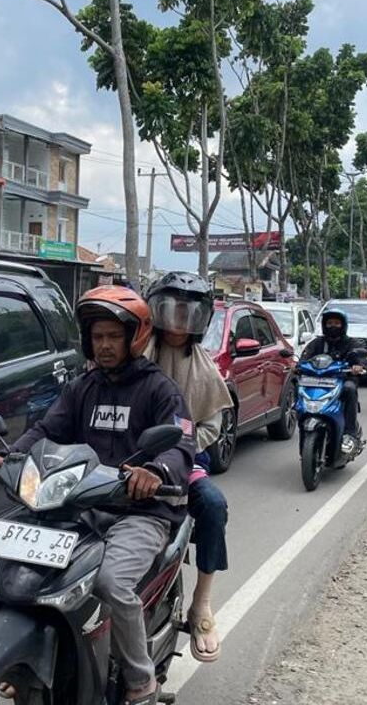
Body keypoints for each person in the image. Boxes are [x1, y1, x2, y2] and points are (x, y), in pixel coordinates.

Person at [0, 286, 195, 705]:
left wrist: (154, 470)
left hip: (140, 512)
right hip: (79, 506)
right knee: (27, 575)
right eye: (98, 337)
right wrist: (11, 457)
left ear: (135, 337)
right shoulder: (83, 387)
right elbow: (47, 430)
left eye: (113, 336)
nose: (105, 345)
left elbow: (182, 443)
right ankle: (25, 655)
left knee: (110, 582)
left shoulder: (158, 389)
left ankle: (140, 679)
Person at [143, 272, 233, 664]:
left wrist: (182, 447)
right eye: (171, 309)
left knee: (213, 505)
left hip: (185, 463)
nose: (179, 321)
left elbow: (213, 422)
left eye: (188, 312)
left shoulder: (205, 371)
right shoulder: (134, 354)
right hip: (124, 459)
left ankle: (201, 604)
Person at [300, 309, 367, 450]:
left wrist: (358, 366)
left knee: (349, 389)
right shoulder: (316, 343)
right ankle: (302, 421)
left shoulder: (351, 343)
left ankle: (350, 433)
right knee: (299, 388)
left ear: (343, 325)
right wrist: (296, 365)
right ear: (325, 325)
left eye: (337, 323)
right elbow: (304, 358)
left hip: (343, 379)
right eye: (330, 323)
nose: (333, 326)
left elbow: (361, 360)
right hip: (317, 381)